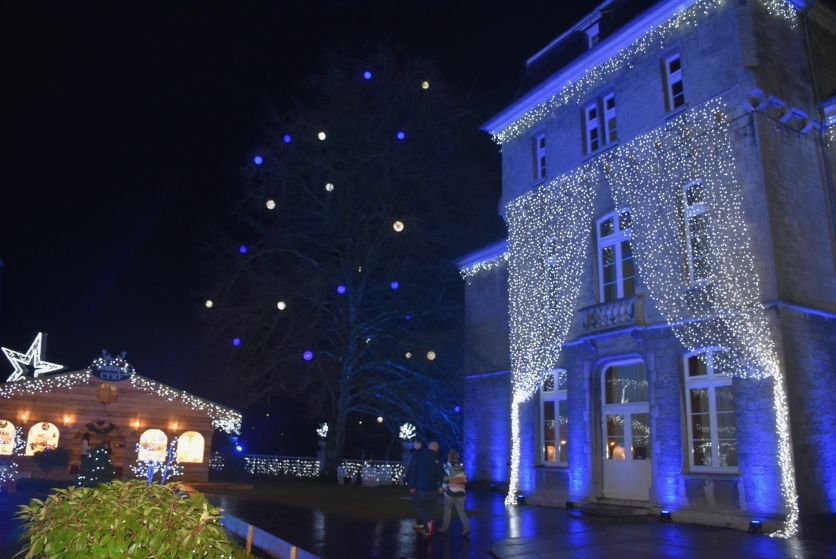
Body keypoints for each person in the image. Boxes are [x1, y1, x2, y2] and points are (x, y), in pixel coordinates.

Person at [408, 440, 445, 536]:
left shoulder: (420, 456)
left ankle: (427, 521)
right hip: (433, 488)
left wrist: (412, 485)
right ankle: (427, 527)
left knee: (418, 504)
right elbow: (442, 474)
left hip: (422, 487)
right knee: (429, 507)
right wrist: (443, 485)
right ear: (436, 449)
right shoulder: (437, 458)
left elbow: (413, 472)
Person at [438, 448, 470, 536]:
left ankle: (444, 528)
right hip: (461, 492)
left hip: (451, 492)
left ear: (449, 456)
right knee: (461, 511)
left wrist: (443, 488)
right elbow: (465, 480)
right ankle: (466, 528)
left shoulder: (448, 467)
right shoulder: (462, 467)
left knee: (447, 510)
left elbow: (445, 480)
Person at [406, 439, 425, 530]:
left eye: (415, 443)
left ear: (418, 444)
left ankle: (420, 522)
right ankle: (422, 521)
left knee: (418, 503)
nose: (413, 444)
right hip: (423, 482)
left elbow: (412, 469)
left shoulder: (416, 454)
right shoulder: (424, 454)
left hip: (417, 482)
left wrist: (410, 481)